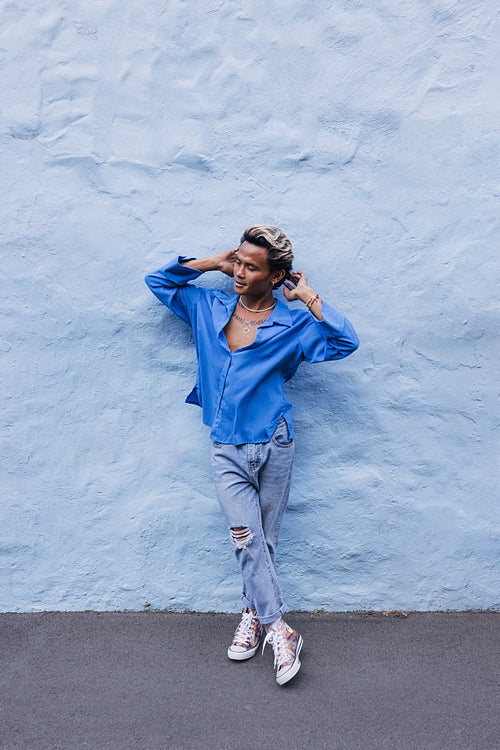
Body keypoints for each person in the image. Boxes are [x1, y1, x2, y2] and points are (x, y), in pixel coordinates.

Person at [145, 225, 359, 685]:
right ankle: (281, 629)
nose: (240, 271)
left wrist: (308, 297)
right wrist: (209, 262)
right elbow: (158, 282)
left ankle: (252, 615)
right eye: (238, 261)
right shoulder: (208, 306)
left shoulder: (293, 324)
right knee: (246, 537)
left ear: (275, 275)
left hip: (275, 441)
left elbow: (345, 342)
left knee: (267, 542)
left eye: (250, 266)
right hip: (226, 447)